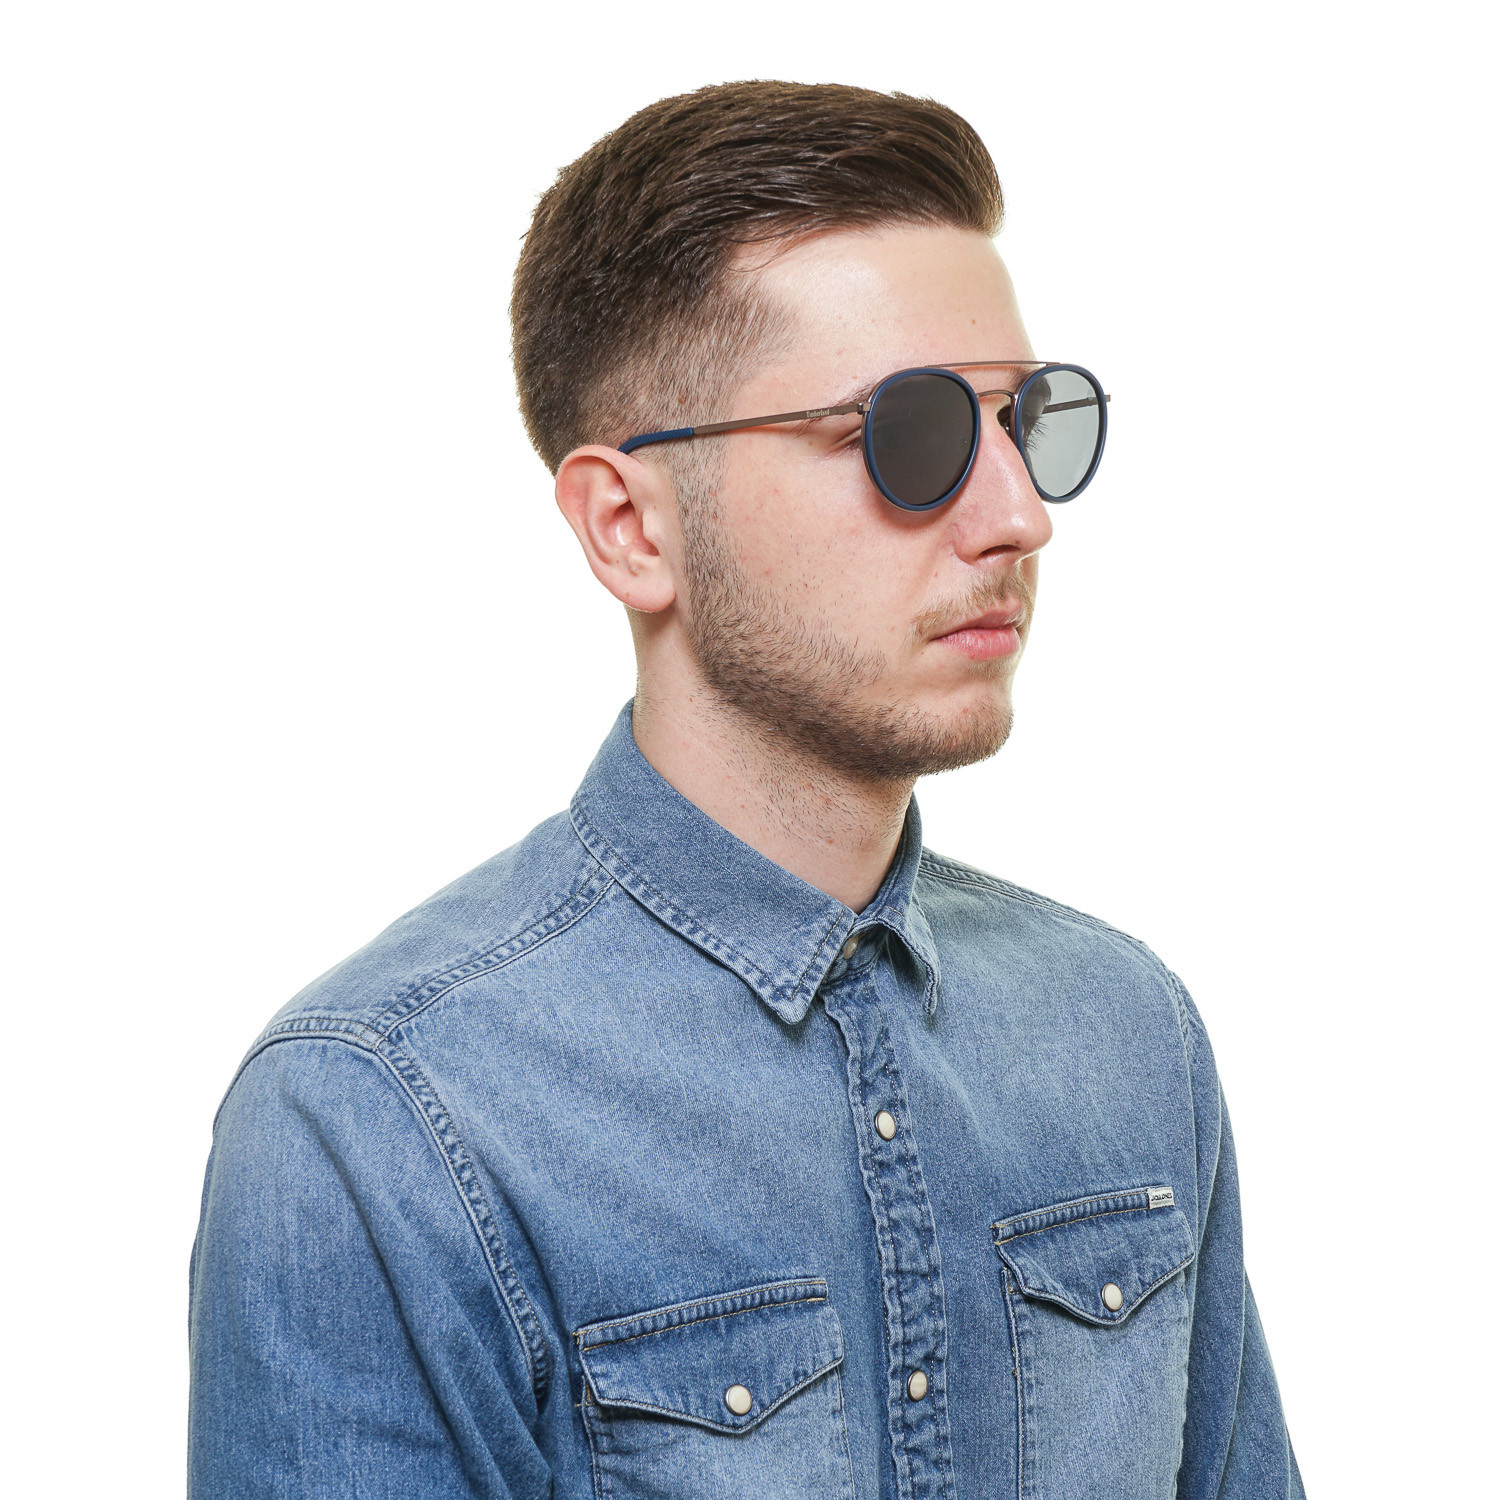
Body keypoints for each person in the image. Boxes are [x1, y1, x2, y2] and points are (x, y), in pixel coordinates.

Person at [189, 81, 1303, 1499]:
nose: (1020, 516)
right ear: (629, 525)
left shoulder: (1126, 1031)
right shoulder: (378, 1123)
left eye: (1030, 423)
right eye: (907, 434)